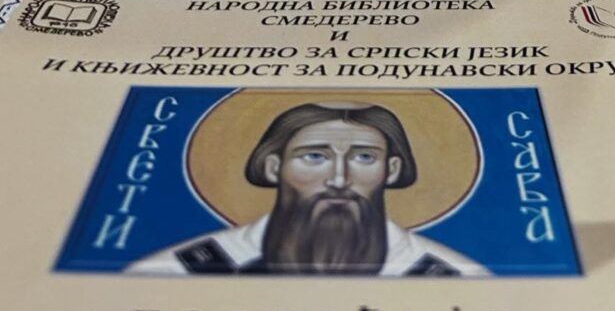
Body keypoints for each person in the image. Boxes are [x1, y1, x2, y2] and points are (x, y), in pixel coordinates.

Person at [128, 101, 488, 276]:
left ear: (391, 171)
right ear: (273, 167)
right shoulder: (177, 272)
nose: (339, 180)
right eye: (314, 156)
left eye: (364, 157)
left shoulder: (456, 279)